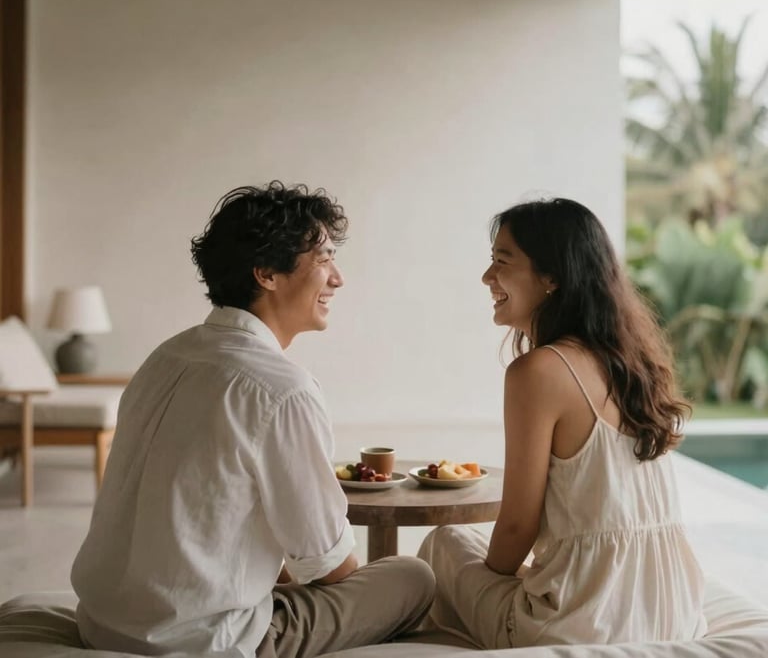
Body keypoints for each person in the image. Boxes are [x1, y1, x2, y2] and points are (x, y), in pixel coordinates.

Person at [71, 181, 434, 658]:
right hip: (208, 640)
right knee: (412, 577)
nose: (338, 278)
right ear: (266, 273)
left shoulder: (167, 356)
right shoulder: (282, 389)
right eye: (323, 259)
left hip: (102, 624)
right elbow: (329, 567)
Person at [417, 197, 706, 649]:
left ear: (551, 276)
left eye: (501, 261)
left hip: (580, 627)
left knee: (443, 546)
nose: (487, 277)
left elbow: (517, 527)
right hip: (675, 617)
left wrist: (487, 585)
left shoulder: (539, 371)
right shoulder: (635, 365)